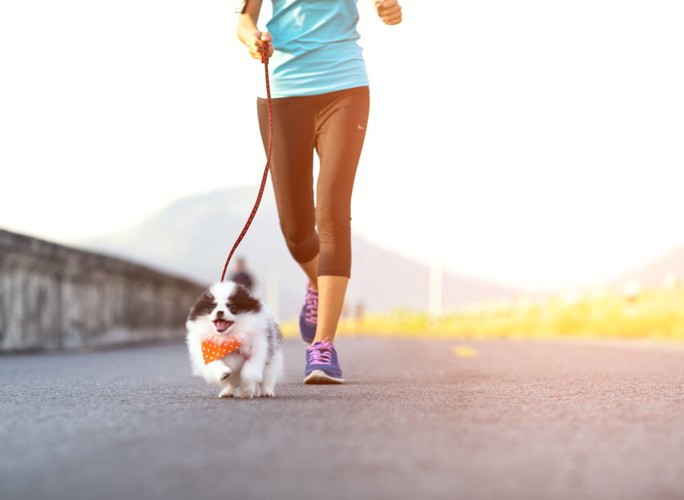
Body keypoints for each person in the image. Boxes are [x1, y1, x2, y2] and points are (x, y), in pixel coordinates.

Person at [237, 0, 402, 384]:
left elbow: (387, 3)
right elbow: (245, 19)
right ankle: (318, 284)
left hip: (344, 86)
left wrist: (390, 8)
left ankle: (323, 347)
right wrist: (252, 39)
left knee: (331, 210)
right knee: (295, 229)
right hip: (282, 92)